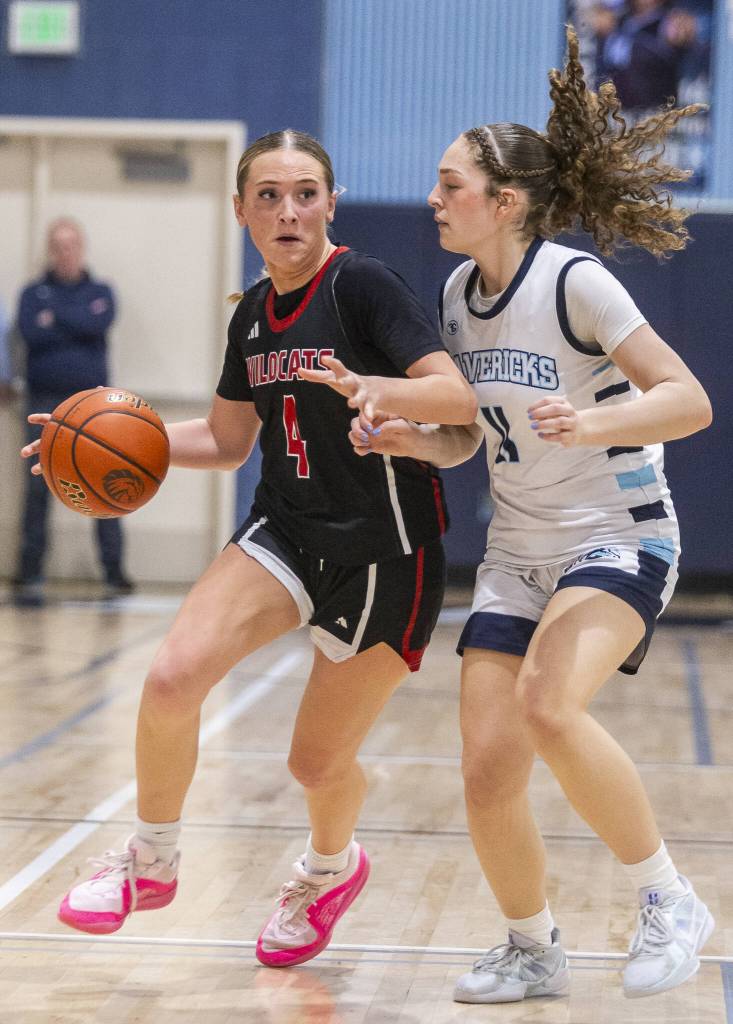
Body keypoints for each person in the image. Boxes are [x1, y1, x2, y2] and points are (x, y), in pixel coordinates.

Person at [22, 131, 477, 961]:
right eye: (267, 196)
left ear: (330, 204)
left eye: (304, 193)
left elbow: (454, 397)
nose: (287, 210)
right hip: (286, 530)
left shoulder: (362, 285)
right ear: (240, 212)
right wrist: (95, 439)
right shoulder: (254, 317)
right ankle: (149, 863)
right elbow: (230, 440)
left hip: (387, 554)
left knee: (313, 764)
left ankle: (329, 870)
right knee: (169, 677)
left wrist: (379, 389)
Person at [339, 26, 713, 1003]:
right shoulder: (459, 297)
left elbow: (688, 399)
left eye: (449, 183)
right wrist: (404, 439)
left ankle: (669, 897)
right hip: (515, 550)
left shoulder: (574, 282)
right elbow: (467, 439)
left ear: (503, 201)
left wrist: (595, 421)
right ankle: (531, 944)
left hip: (619, 536)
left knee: (549, 706)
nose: (432, 199)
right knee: (486, 767)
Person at [14, 218, 133, 600]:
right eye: (58, 246)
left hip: (93, 406)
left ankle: (114, 573)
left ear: (81, 248)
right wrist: (76, 319)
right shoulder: (33, 293)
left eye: (71, 245)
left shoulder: (101, 291)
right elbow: (31, 332)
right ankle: (29, 571)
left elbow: (98, 323)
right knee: (38, 486)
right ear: (51, 249)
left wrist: (59, 317)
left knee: (104, 483)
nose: (65, 253)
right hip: (43, 403)